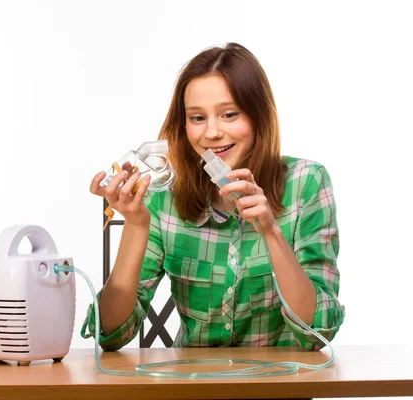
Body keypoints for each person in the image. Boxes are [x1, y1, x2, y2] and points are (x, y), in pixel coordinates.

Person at [81, 43, 344, 351]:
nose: (212, 133)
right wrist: (137, 224)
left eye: (229, 114)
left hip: (280, 390)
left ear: (259, 116)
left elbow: (316, 331)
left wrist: (271, 231)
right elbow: (111, 333)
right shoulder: (164, 195)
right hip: (191, 389)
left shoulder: (306, 184)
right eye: (197, 118)